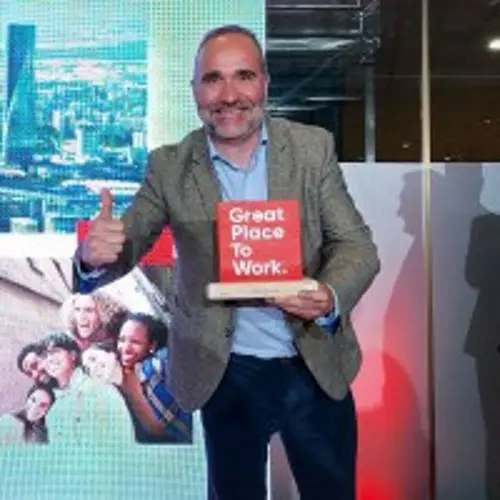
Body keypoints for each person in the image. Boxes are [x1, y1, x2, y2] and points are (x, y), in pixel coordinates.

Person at [74, 24, 379, 500]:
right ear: (195, 89)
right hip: (225, 370)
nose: (229, 94)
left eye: (244, 76)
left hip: (314, 363)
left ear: (265, 83)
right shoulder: (169, 165)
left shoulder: (311, 148)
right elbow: (128, 243)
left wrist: (328, 296)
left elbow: (356, 245)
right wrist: (93, 258)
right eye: (213, 79)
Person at [43, 332, 135, 444]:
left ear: (73, 355)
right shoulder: (53, 413)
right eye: (45, 355)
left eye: (55, 351)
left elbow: (122, 437)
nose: (49, 359)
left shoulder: (100, 388)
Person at [116, 312, 192, 444]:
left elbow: (164, 431)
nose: (126, 348)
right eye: (122, 340)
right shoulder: (142, 369)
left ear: (152, 345)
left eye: (135, 342)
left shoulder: (153, 368)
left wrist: (134, 393)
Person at [61, 291, 127, 351]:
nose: (81, 316)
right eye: (77, 309)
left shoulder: (119, 343)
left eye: (89, 310)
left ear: (103, 313)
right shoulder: (66, 343)